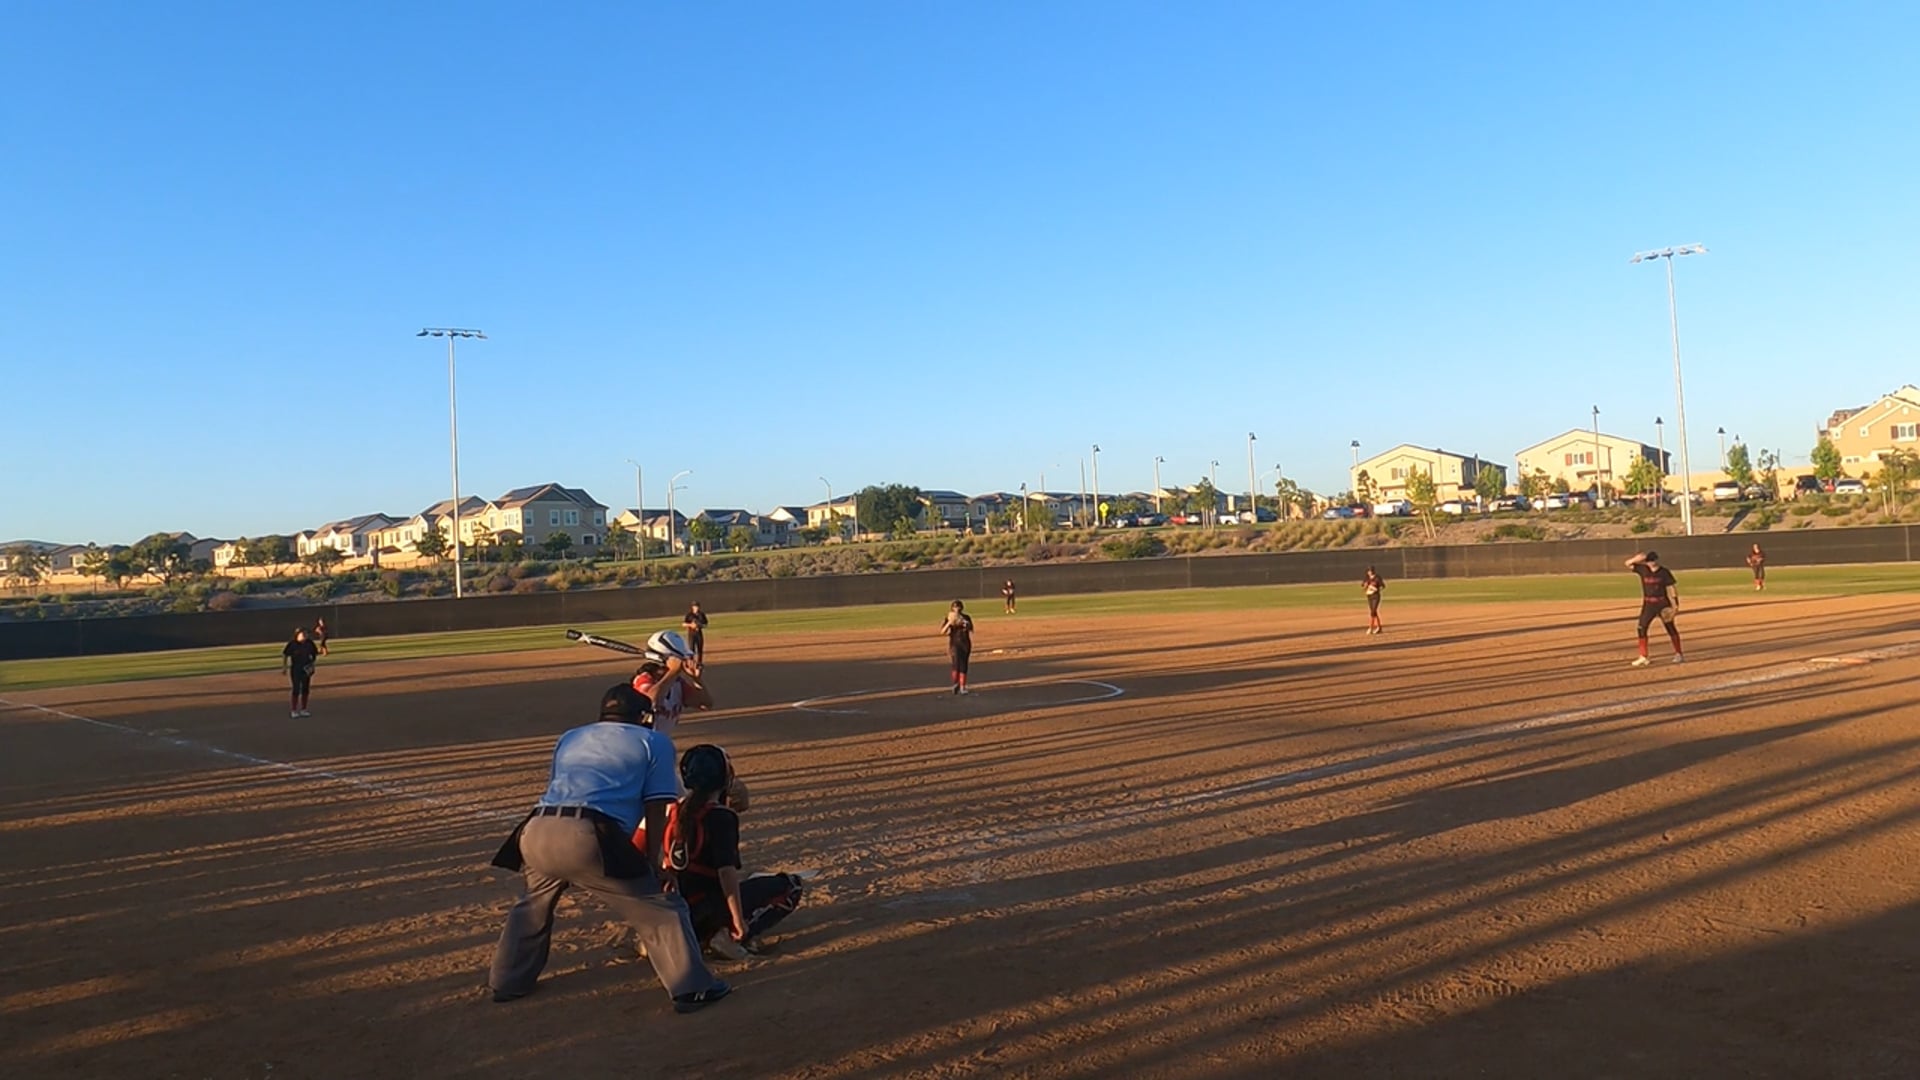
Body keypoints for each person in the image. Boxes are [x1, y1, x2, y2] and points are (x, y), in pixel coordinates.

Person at [487, 684, 732, 1013]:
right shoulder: (653, 741)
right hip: (588, 835)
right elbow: (657, 805)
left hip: (535, 830)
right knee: (662, 908)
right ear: (642, 717)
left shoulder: (570, 737)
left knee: (532, 905)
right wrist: (653, 863)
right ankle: (692, 988)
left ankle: (507, 982)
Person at [653, 744, 805, 961]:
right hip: (705, 910)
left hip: (675, 911)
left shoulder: (674, 809)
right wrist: (737, 920)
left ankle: (683, 937)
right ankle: (727, 936)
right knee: (791, 886)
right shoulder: (722, 817)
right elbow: (726, 873)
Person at [631, 630, 713, 740]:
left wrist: (696, 679)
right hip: (639, 742)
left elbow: (705, 704)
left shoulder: (676, 683)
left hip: (658, 742)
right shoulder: (643, 679)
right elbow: (651, 702)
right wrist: (673, 671)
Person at [1625, 550, 1683, 667]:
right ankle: (1643, 656)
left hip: (1662, 603)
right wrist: (1637, 558)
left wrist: (1675, 604)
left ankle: (1679, 654)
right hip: (1648, 605)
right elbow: (1627, 564)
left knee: (1670, 628)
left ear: (1657, 560)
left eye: (1652, 560)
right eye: (1648, 561)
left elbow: (1671, 587)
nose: (1651, 563)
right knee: (1641, 628)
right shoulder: (1643, 569)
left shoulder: (1664, 572)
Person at [281, 628, 318, 718]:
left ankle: (303, 709)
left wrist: (312, 665)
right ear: (297, 635)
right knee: (296, 689)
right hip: (296, 669)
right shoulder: (292, 644)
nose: (305, 635)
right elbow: (285, 654)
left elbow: (314, 654)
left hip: (306, 669)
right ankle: (294, 710)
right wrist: (284, 667)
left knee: (305, 689)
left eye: (306, 634)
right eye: (303, 634)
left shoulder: (309, 643)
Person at [940, 600, 974, 695]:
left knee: (964, 665)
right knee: (956, 664)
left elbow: (971, 629)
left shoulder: (966, 617)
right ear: (952, 608)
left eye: (958, 607)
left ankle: (962, 686)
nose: (957, 609)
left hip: (965, 643)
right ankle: (955, 684)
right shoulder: (949, 618)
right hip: (954, 643)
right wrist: (949, 623)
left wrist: (965, 624)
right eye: (955, 607)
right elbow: (942, 631)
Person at [681, 602, 709, 668]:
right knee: (691, 649)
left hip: (699, 633)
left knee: (700, 649)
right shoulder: (689, 615)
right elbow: (683, 624)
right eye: (695, 606)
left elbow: (706, 624)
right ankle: (691, 663)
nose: (696, 607)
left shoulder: (701, 614)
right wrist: (691, 625)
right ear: (692, 607)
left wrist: (700, 625)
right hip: (691, 634)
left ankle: (699, 663)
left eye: (697, 606)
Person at [1362, 566, 1386, 635]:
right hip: (1369, 596)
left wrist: (1377, 589)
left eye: (1370, 571)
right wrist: (1365, 586)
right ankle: (1379, 627)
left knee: (1373, 612)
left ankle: (1371, 628)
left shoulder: (1377, 577)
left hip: (1376, 596)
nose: (1369, 572)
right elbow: (1363, 585)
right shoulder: (1367, 578)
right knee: (1373, 612)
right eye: (1368, 571)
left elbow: (1383, 586)